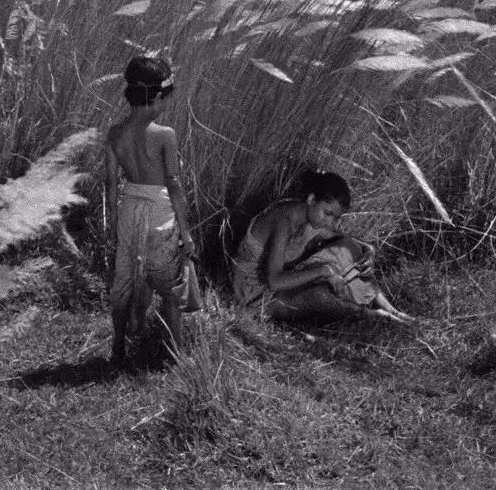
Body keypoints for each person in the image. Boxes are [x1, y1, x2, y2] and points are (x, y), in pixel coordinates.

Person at [105, 55, 197, 364]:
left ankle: (118, 347)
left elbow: (110, 184)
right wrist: (185, 232)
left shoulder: (114, 133)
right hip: (159, 212)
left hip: (129, 209)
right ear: (157, 97)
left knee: (125, 282)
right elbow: (174, 186)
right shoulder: (165, 135)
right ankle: (177, 353)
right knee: (170, 286)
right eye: (165, 99)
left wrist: (113, 227)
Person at [231, 171, 414, 326]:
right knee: (318, 296)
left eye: (335, 218)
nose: (330, 222)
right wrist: (323, 271)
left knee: (347, 247)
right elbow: (274, 282)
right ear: (311, 199)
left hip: (282, 282)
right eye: (327, 213)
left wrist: (370, 251)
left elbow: (346, 240)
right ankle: (375, 316)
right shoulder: (283, 221)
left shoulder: (311, 222)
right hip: (256, 293)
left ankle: (391, 310)